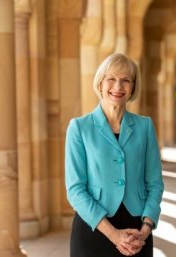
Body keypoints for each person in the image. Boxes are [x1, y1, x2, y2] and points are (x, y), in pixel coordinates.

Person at [65, 53, 164, 257]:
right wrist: (114, 235)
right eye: (111, 79)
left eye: (126, 80)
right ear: (100, 84)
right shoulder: (79, 127)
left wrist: (146, 228)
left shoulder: (145, 127)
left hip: (137, 232)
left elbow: (154, 183)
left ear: (133, 87)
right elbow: (75, 189)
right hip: (94, 228)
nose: (118, 87)